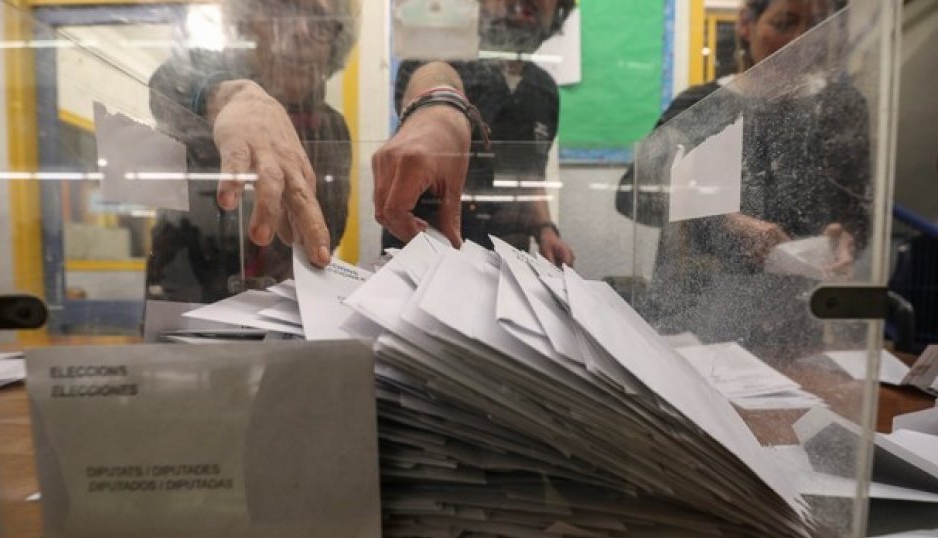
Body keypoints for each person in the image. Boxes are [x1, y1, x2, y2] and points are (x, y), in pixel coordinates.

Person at [617, 0, 871, 346]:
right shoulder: (701, 106)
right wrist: (726, 222)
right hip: (696, 320)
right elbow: (636, 193)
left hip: (792, 326)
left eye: (817, 28)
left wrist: (846, 239)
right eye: (784, 22)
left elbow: (860, 212)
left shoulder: (840, 110)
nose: (801, 41)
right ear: (745, 24)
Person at [146, 0, 357, 302]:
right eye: (285, 9)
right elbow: (168, 81)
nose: (300, 31)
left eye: (320, 21)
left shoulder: (333, 127)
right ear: (247, 22)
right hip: (191, 304)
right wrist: (227, 95)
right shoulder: (216, 84)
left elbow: (328, 233)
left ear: (336, 41)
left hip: (290, 310)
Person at [374, 0, 577, 267]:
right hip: (423, 259)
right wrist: (439, 103)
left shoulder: (545, 90)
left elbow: (530, 174)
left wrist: (545, 229)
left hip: (507, 268)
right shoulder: (432, 55)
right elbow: (433, 77)